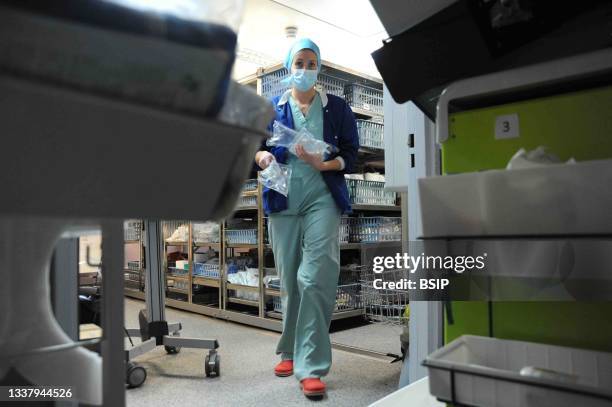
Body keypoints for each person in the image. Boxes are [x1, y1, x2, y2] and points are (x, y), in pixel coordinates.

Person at [254, 38, 359, 398]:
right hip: (282, 195)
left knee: (316, 276)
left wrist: (324, 163)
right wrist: (262, 158)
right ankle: (288, 349)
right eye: (298, 62)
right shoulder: (271, 108)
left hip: (322, 196)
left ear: (319, 68)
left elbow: (351, 155)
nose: (304, 68)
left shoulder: (337, 108)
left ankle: (310, 365)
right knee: (290, 277)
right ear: (289, 67)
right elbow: (252, 147)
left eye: (311, 62)